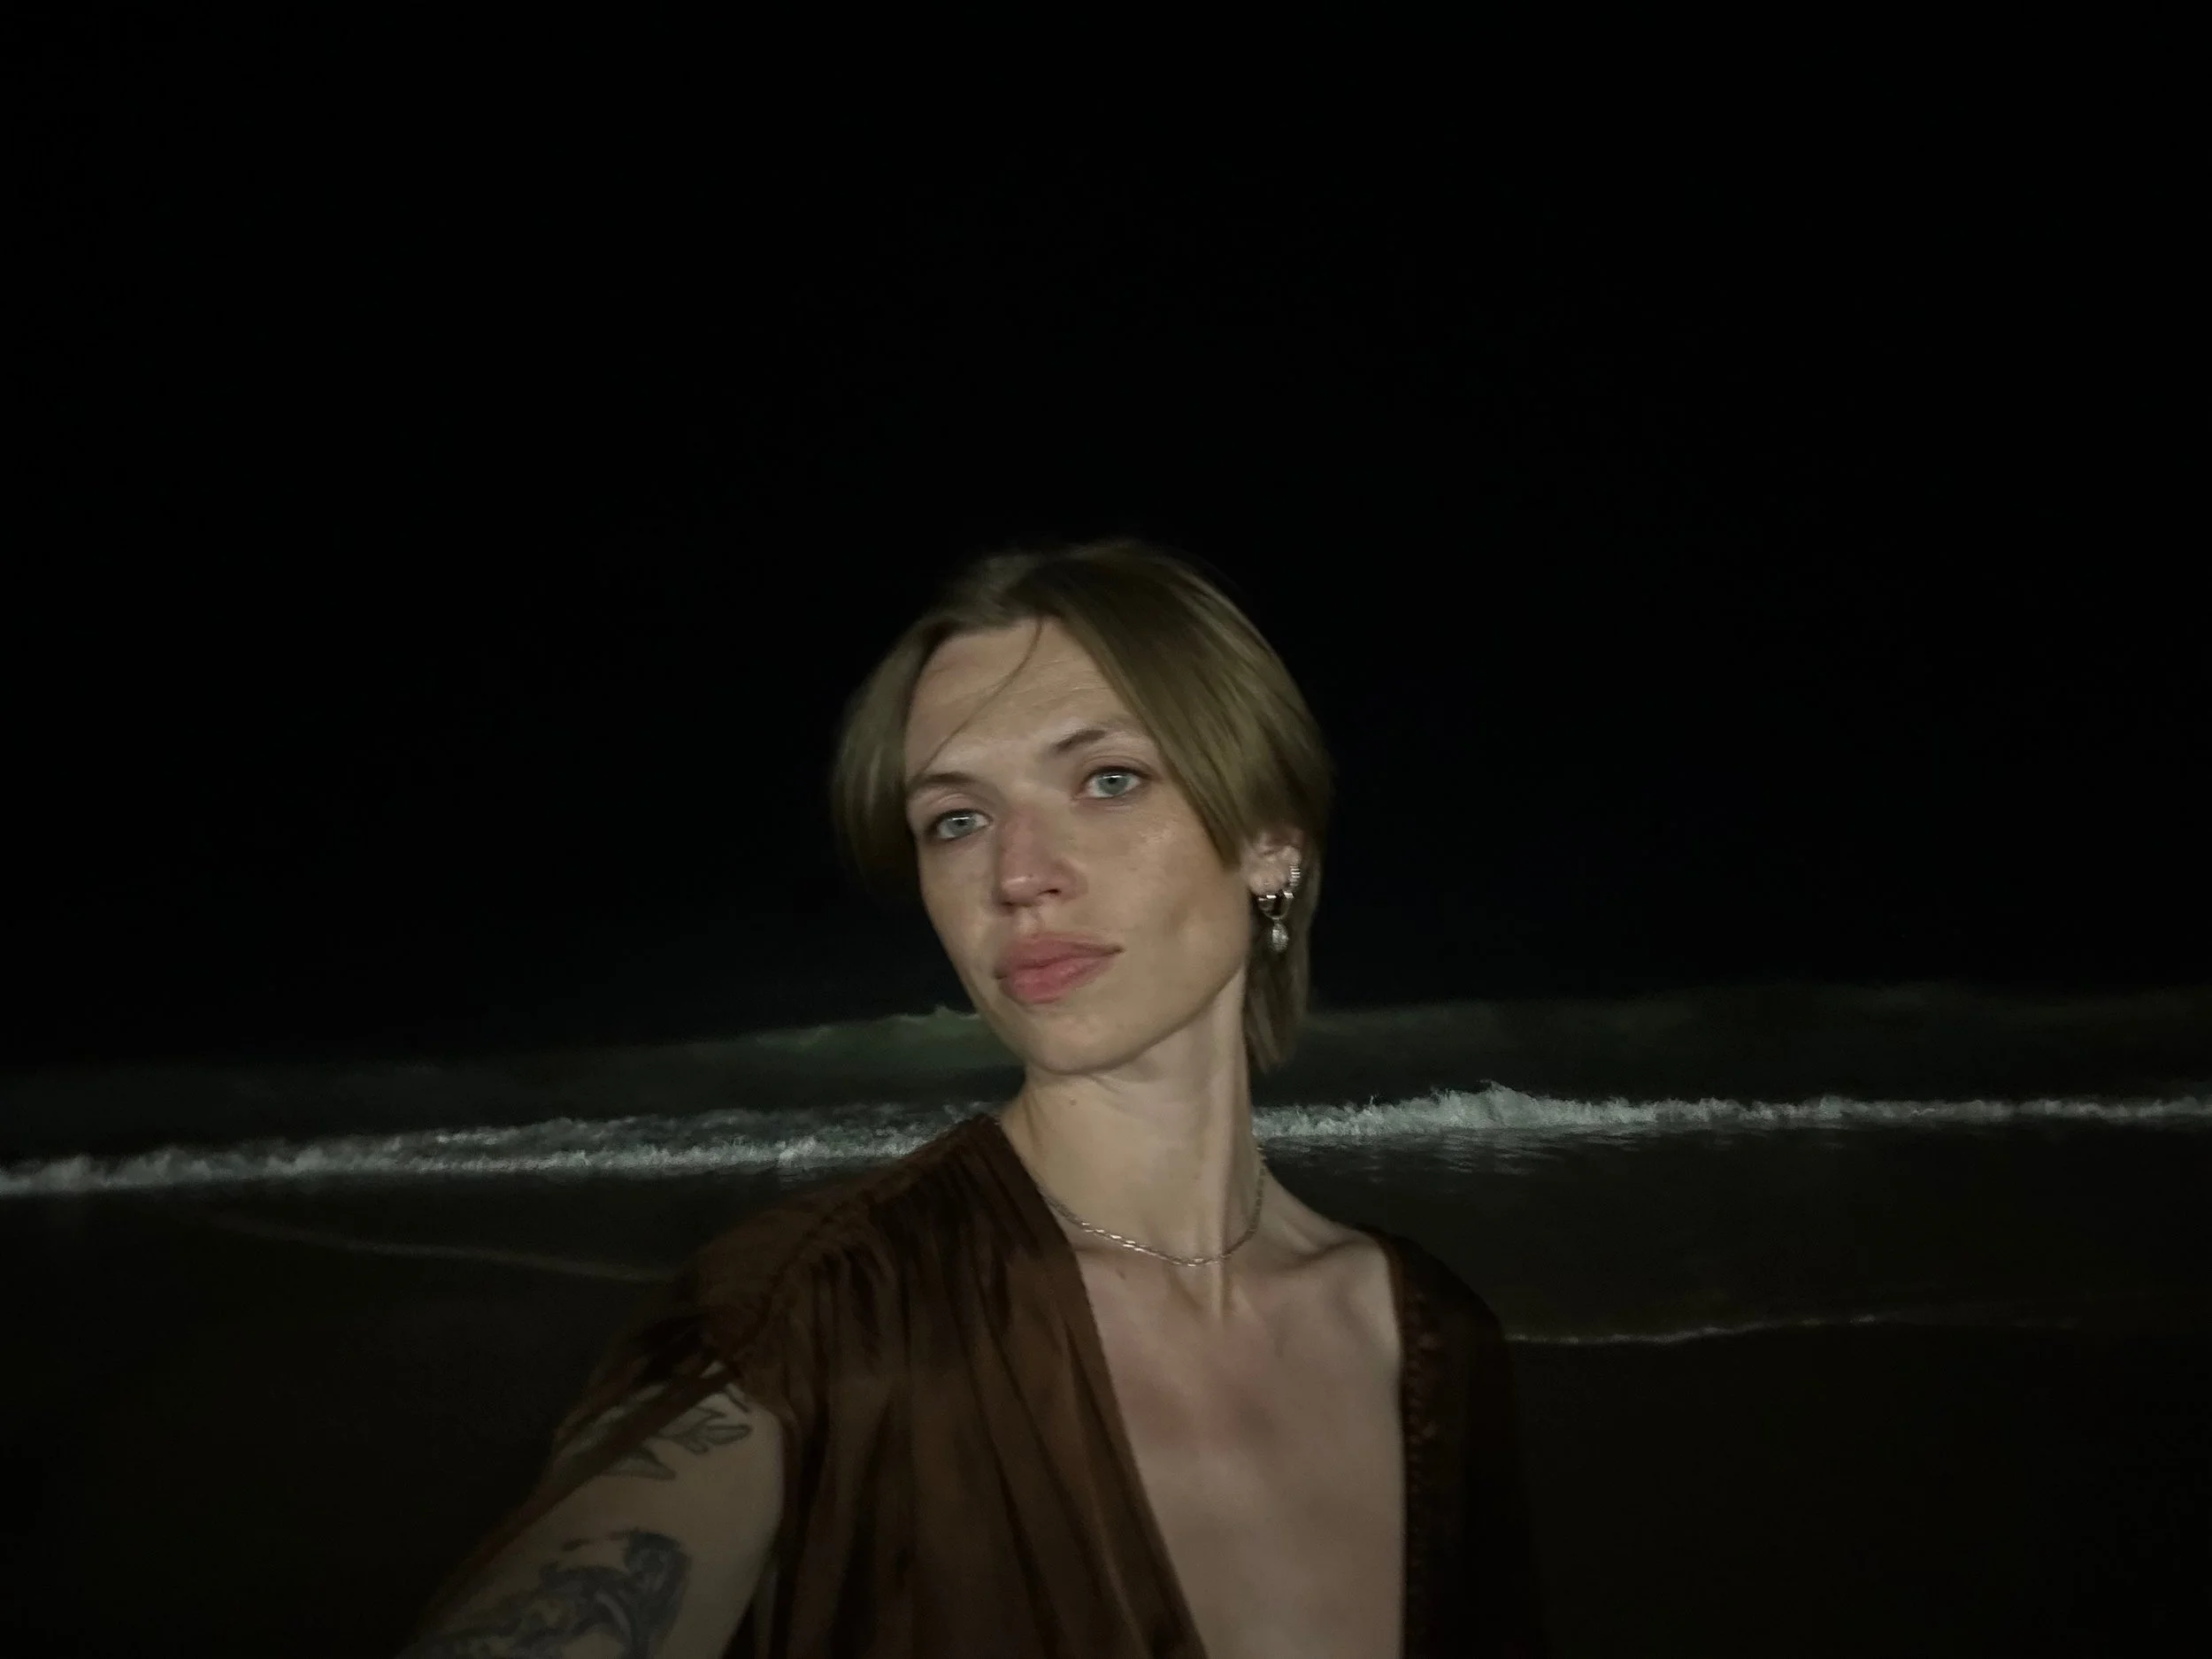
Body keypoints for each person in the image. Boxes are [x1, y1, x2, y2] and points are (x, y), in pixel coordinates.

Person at [402, 539, 1547, 1657]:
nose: (1016, 872)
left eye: (1108, 778)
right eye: (957, 818)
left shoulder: (1430, 1338)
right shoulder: (808, 1318)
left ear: (1268, 845)